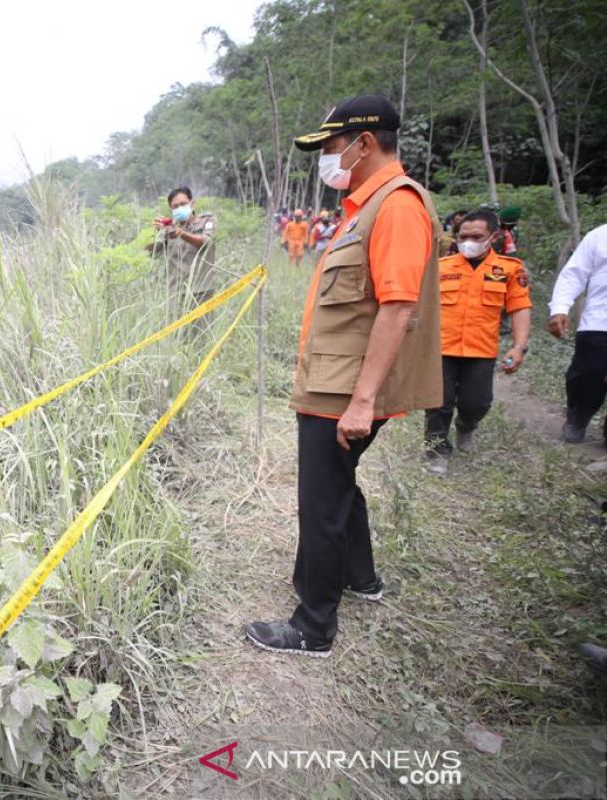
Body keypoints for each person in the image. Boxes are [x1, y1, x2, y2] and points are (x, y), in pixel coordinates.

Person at [245, 94, 441, 657]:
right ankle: (361, 578)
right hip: (338, 379)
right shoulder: (367, 204)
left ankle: (312, 627)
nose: (328, 158)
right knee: (340, 487)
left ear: (365, 143)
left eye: (332, 147)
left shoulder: (397, 206)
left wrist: (363, 401)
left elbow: (398, 309)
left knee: (322, 501)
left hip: (345, 390)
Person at [423, 209, 531, 475]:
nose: (469, 241)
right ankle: (437, 451)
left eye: (476, 236)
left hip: (481, 350)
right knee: (438, 402)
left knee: (477, 403)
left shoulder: (509, 269)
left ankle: (466, 426)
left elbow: (519, 308)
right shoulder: (441, 267)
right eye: (464, 236)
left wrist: (518, 347)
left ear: (493, 236)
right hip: (442, 348)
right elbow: (422, 306)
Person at [548, 223, 607, 444]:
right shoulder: (600, 236)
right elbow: (574, 273)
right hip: (599, 323)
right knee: (586, 376)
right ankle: (577, 418)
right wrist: (560, 308)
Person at [146, 186, 217, 311]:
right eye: (175, 206)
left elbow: (206, 243)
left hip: (201, 292)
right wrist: (156, 233)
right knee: (175, 329)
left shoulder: (207, 221)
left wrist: (181, 233)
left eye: (183, 204)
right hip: (175, 293)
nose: (179, 208)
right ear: (171, 209)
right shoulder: (169, 228)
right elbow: (150, 252)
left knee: (201, 331)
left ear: (192, 203)